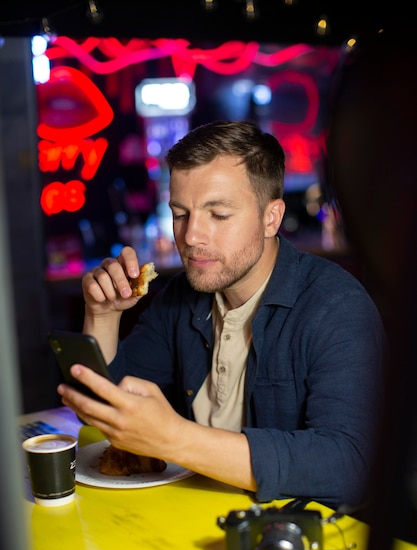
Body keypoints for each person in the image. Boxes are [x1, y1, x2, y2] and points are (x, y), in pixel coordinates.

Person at [57, 120, 385, 509]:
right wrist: (103, 314)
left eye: (218, 214)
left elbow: (352, 465)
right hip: (190, 519)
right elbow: (102, 415)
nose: (191, 235)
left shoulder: (335, 305)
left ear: (271, 218)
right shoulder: (181, 297)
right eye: (181, 214)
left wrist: (174, 437)